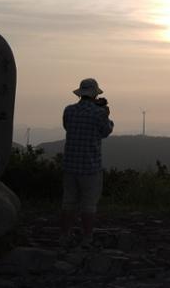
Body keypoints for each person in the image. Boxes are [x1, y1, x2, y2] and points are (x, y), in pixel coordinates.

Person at [60, 78, 114, 248]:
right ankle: (87, 238)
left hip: (70, 165)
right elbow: (106, 131)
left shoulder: (68, 111)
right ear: (95, 94)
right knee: (89, 205)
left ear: (80, 94)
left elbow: (67, 127)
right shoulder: (99, 113)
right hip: (90, 167)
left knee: (68, 202)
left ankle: (64, 236)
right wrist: (106, 113)